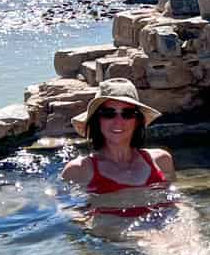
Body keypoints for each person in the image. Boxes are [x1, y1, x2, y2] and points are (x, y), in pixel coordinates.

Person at [61, 79, 178, 220]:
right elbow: (71, 215)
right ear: (97, 120)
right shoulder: (78, 170)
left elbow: (175, 204)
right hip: (117, 238)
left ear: (137, 121)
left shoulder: (162, 160)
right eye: (108, 113)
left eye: (127, 113)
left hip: (166, 232)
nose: (118, 121)